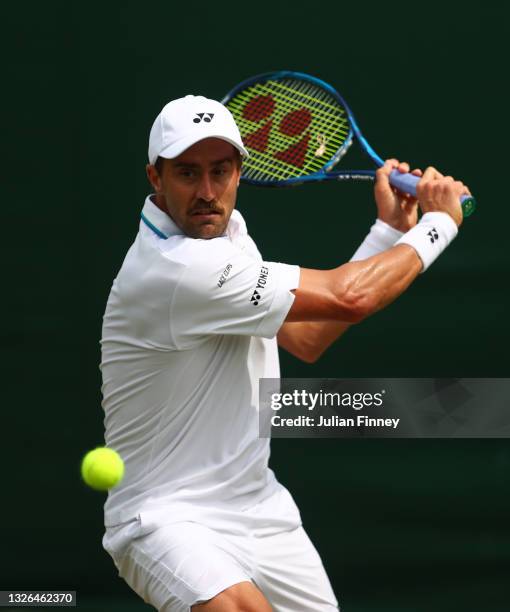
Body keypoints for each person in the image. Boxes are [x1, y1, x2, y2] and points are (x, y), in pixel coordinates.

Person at [100, 95, 469, 612]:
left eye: (220, 171)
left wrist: (387, 232)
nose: (206, 191)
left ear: (239, 172)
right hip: (167, 519)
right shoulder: (175, 269)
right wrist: (440, 224)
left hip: (261, 511)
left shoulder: (229, 239)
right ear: (155, 179)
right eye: (187, 173)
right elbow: (351, 297)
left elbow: (308, 337)